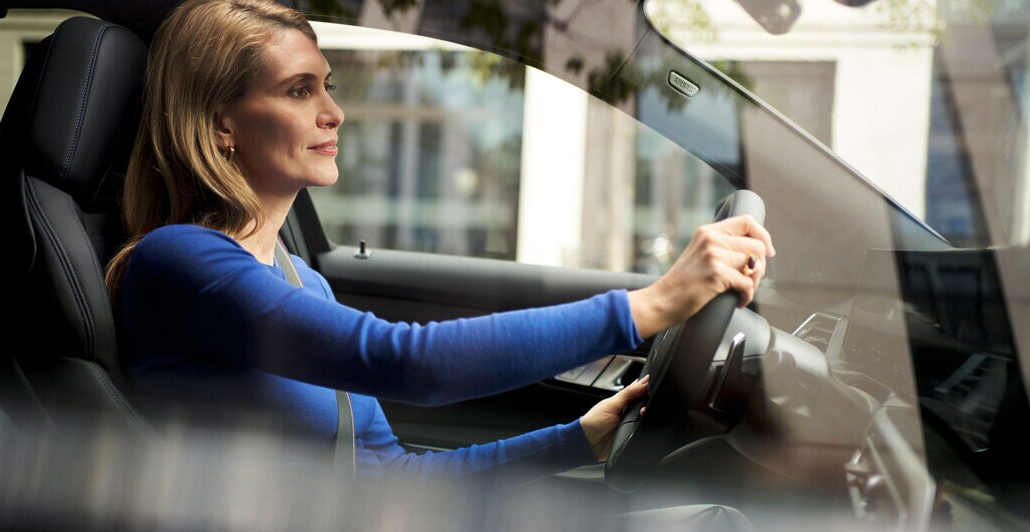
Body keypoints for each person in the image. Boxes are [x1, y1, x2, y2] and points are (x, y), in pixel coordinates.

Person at [106, 0, 775, 481]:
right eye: (298, 90)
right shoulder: (179, 261)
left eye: (328, 87)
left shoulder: (302, 279)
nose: (333, 112)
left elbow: (385, 470)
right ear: (222, 124)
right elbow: (409, 364)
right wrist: (649, 306)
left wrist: (580, 439)